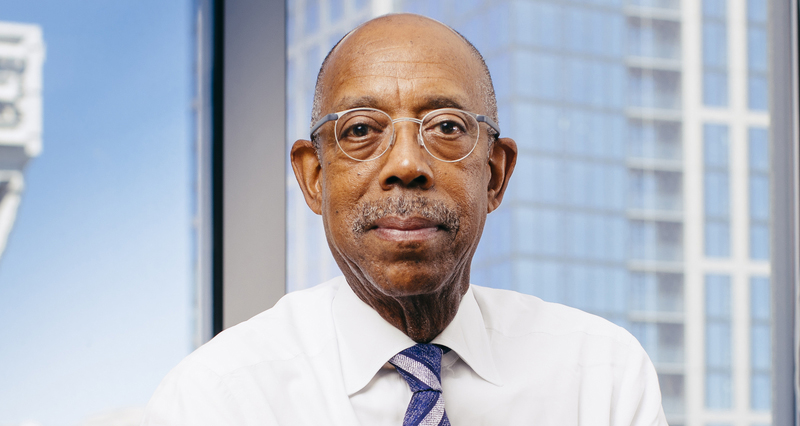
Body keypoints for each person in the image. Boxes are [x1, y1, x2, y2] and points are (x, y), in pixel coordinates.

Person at [141, 13, 668, 426]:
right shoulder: (219, 399)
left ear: (495, 175)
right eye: (361, 130)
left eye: (445, 126)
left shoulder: (601, 376)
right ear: (314, 177)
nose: (407, 165)